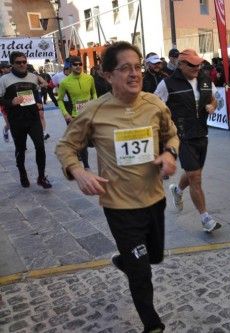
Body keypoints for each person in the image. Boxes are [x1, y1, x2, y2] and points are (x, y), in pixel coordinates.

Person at [55, 41, 179, 333]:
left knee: (155, 256)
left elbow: (172, 136)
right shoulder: (94, 112)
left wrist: (169, 154)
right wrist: (78, 170)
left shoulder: (155, 105)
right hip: (119, 207)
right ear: (107, 75)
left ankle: (126, 259)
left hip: (154, 198)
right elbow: (65, 147)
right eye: (125, 68)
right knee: (141, 272)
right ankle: (153, 325)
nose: (134, 74)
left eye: (137, 67)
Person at [154, 49, 222, 233]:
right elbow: (155, 107)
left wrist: (212, 105)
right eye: (192, 65)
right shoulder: (167, 84)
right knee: (195, 177)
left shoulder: (205, 79)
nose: (197, 68)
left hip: (201, 134)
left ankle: (177, 190)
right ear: (180, 64)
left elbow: (215, 98)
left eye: (199, 64)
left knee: (195, 173)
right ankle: (205, 218)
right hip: (181, 137)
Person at [0, 51, 52, 188]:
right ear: (12, 64)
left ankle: (41, 177)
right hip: (16, 120)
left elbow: (36, 93)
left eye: (24, 61)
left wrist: (39, 102)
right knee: (21, 149)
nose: (22, 64)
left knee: (40, 146)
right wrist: (11, 101)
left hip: (33, 118)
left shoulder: (33, 77)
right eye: (18, 62)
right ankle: (22, 174)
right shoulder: (4, 80)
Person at [57, 55, 97, 170]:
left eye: (80, 64)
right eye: (75, 64)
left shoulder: (89, 78)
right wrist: (66, 114)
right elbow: (59, 99)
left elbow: (94, 93)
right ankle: (86, 166)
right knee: (82, 142)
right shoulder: (65, 82)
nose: (78, 66)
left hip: (90, 114)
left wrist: (94, 103)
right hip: (76, 116)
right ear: (70, 66)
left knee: (95, 139)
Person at [1, 61, 11, 142]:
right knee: (9, 124)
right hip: (4, 105)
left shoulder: (13, 76)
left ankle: (20, 145)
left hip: (14, 103)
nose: (9, 68)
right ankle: (5, 131)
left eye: (9, 67)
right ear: (2, 69)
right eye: (7, 67)